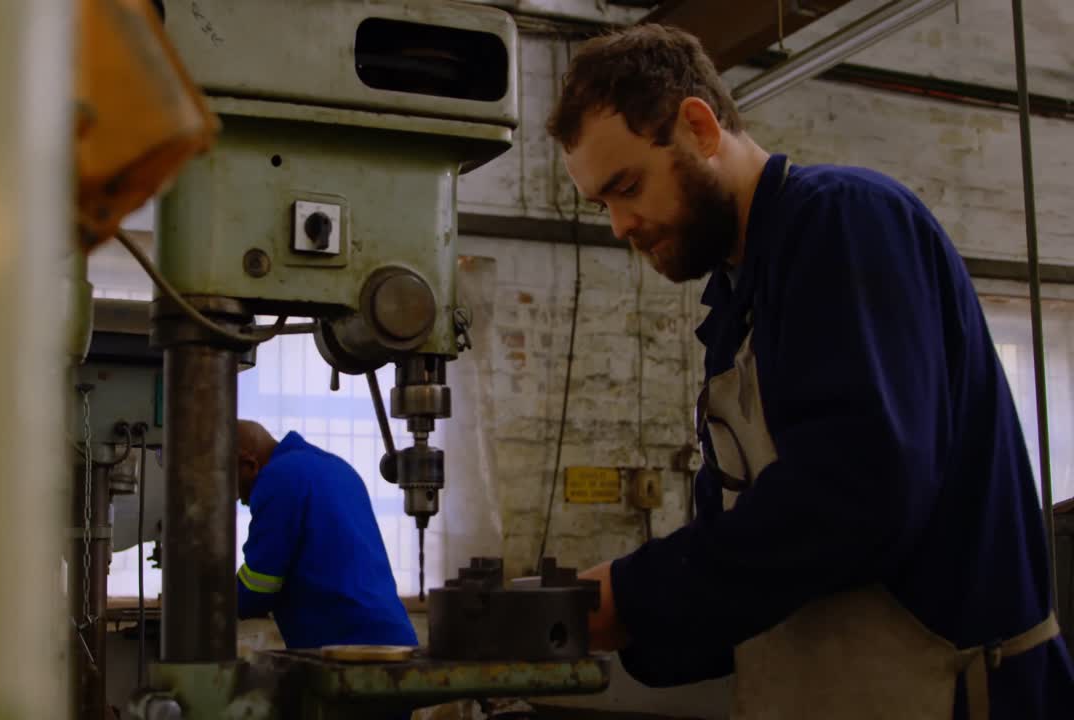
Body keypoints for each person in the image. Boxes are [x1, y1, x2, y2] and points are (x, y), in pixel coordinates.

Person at [547, 23, 1073, 719]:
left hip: (956, 694)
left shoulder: (844, 223)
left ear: (699, 127)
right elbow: (753, 556)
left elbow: (860, 491)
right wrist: (618, 624)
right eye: (602, 204)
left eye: (627, 186)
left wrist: (633, 593)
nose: (619, 226)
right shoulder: (737, 307)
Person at [234, 420, 417, 650]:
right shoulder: (339, 468)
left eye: (242, 493)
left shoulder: (277, 477)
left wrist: (208, 603)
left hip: (347, 648)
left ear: (249, 463)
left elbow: (259, 585)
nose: (243, 501)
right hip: (396, 641)